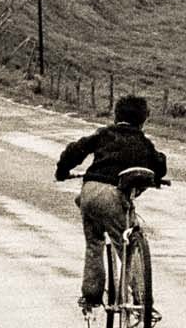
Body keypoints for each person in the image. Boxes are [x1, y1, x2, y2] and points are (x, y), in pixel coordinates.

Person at [56, 95, 169, 312]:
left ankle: (91, 296)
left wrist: (62, 171)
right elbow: (159, 165)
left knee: (94, 243)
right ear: (144, 119)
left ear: (115, 115)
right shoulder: (143, 142)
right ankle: (141, 300)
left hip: (89, 192)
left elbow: (75, 150)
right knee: (127, 247)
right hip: (114, 196)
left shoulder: (104, 134)